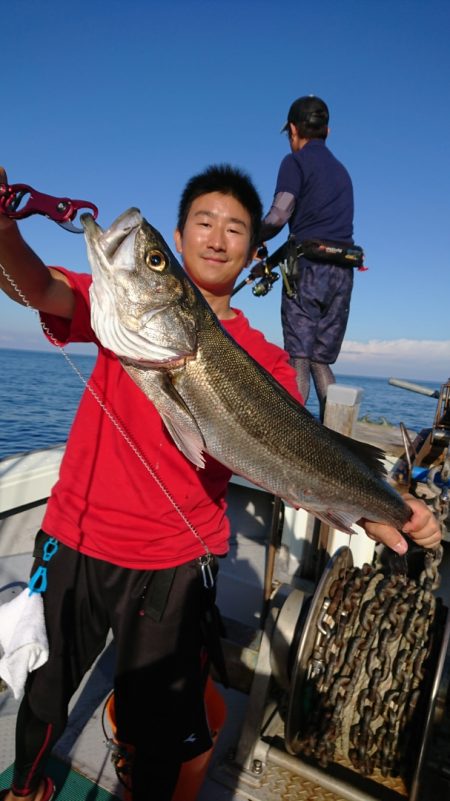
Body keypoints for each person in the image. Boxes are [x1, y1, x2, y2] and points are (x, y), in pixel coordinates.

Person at [0, 163, 442, 801]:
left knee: (156, 731)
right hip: (73, 535)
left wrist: (382, 510)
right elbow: (36, 288)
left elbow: (298, 460)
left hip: (176, 562)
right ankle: (27, 789)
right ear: (180, 238)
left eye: (234, 228)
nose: (216, 237)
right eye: (201, 223)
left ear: (252, 253)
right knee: (45, 690)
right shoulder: (117, 307)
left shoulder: (265, 361)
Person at [259, 94, 356, 419]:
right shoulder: (342, 171)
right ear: (327, 131)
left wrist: (251, 239)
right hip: (343, 274)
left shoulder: (295, 162)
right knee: (320, 359)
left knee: (298, 356)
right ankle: (339, 436)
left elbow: (278, 215)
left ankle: (294, 442)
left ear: (292, 130)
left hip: (309, 272)